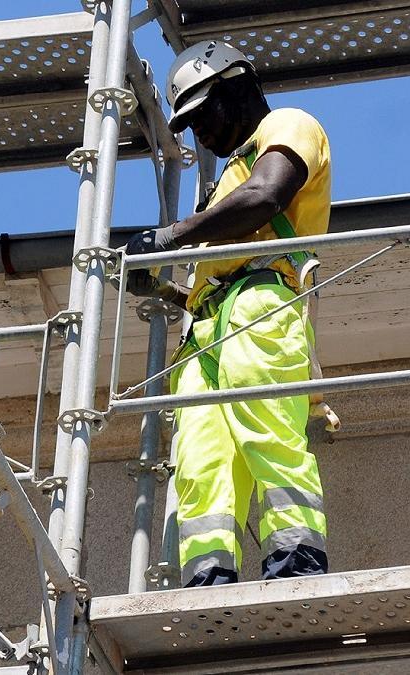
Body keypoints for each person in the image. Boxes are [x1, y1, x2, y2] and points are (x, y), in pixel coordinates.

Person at [123, 40, 330, 587]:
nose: (200, 134)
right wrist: (167, 280)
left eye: (202, 115)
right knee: (200, 462)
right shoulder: (222, 184)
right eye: (187, 125)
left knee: (269, 436)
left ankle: (296, 562)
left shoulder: (287, 125)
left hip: (261, 305)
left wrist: (170, 238)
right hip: (208, 330)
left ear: (238, 87)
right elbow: (216, 252)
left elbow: (265, 199)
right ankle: (208, 577)